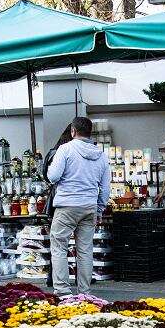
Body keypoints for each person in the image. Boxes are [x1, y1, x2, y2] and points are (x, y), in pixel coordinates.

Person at [45, 116, 110, 296]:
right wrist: (99, 209)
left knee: (59, 247)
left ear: (73, 131)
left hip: (66, 206)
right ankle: (85, 292)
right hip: (89, 207)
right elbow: (105, 188)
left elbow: (53, 176)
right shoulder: (102, 155)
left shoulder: (65, 149)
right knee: (85, 251)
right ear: (90, 133)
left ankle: (63, 291)